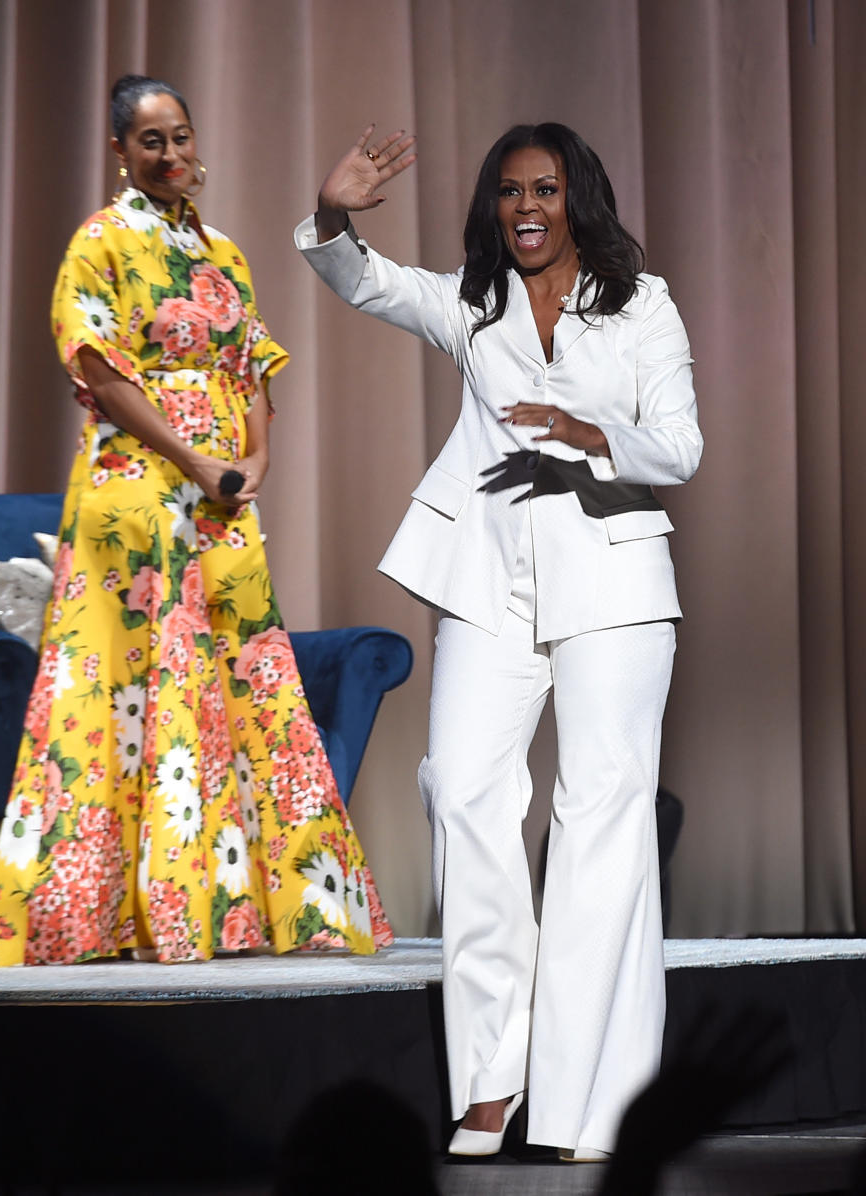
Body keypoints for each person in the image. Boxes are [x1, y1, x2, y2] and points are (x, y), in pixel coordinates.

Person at [295, 122, 702, 1159]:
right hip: (487, 576)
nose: (527, 206)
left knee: (601, 816)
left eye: (546, 189)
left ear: (579, 200)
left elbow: (683, 444)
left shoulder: (641, 304)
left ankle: (588, 1103)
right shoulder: (472, 303)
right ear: (494, 207)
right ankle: (491, 1078)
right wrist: (335, 211)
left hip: (612, 571)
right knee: (466, 790)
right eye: (510, 191)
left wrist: (591, 434)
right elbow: (368, 282)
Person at [0, 75, 392, 966]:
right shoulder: (100, 241)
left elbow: (252, 368)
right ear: (121, 151)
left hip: (222, 495)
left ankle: (239, 911)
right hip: (135, 490)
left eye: (181, 136)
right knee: (130, 696)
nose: (171, 155)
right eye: (151, 141)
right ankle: (111, 916)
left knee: (244, 682)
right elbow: (100, 367)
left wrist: (254, 461)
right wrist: (194, 458)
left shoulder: (225, 253)